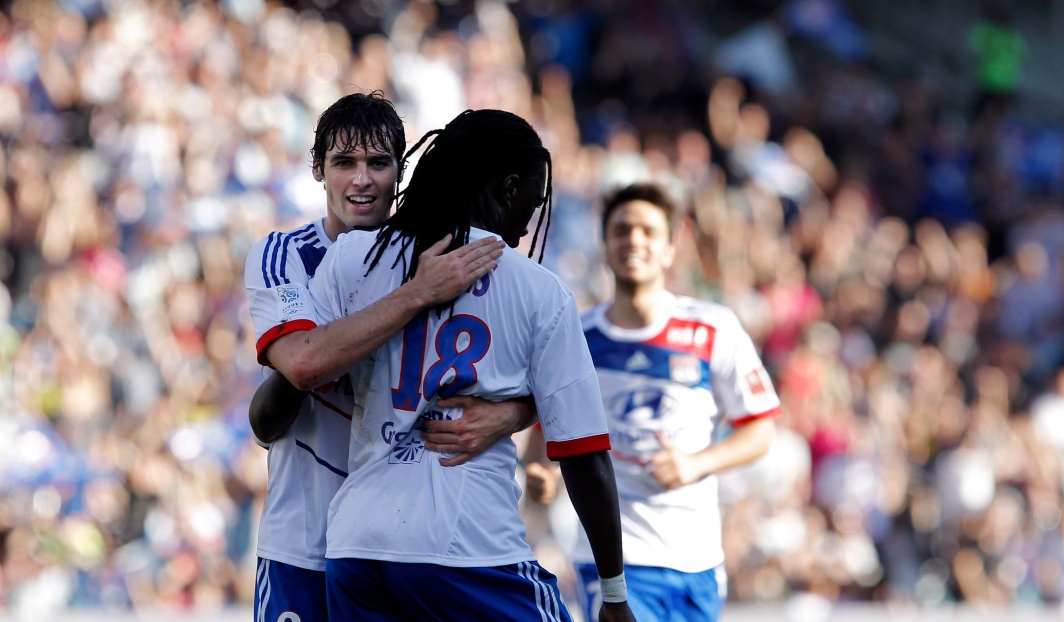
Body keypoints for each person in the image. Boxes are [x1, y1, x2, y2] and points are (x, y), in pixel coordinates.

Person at [308, 109, 636, 622]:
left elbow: (302, 373)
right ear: (509, 188)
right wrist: (614, 595)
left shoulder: (353, 258)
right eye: (532, 199)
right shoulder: (536, 289)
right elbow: (584, 453)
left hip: (356, 547)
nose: (530, 221)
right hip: (468, 545)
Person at [243, 93, 532, 622]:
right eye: (344, 163)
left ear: (401, 172)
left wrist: (515, 412)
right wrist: (416, 294)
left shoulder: (447, 255)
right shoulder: (286, 255)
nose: (362, 180)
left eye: (378, 164)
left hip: (405, 545)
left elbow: (535, 359)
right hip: (303, 543)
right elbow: (299, 371)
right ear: (317, 170)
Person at [526, 182, 780, 622]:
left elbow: (760, 430)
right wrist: (540, 471)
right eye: (622, 230)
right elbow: (543, 427)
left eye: (647, 230)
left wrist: (697, 463)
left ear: (670, 247)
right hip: (610, 563)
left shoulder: (712, 330)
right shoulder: (576, 337)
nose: (634, 241)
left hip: (696, 562)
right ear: (604, 244)